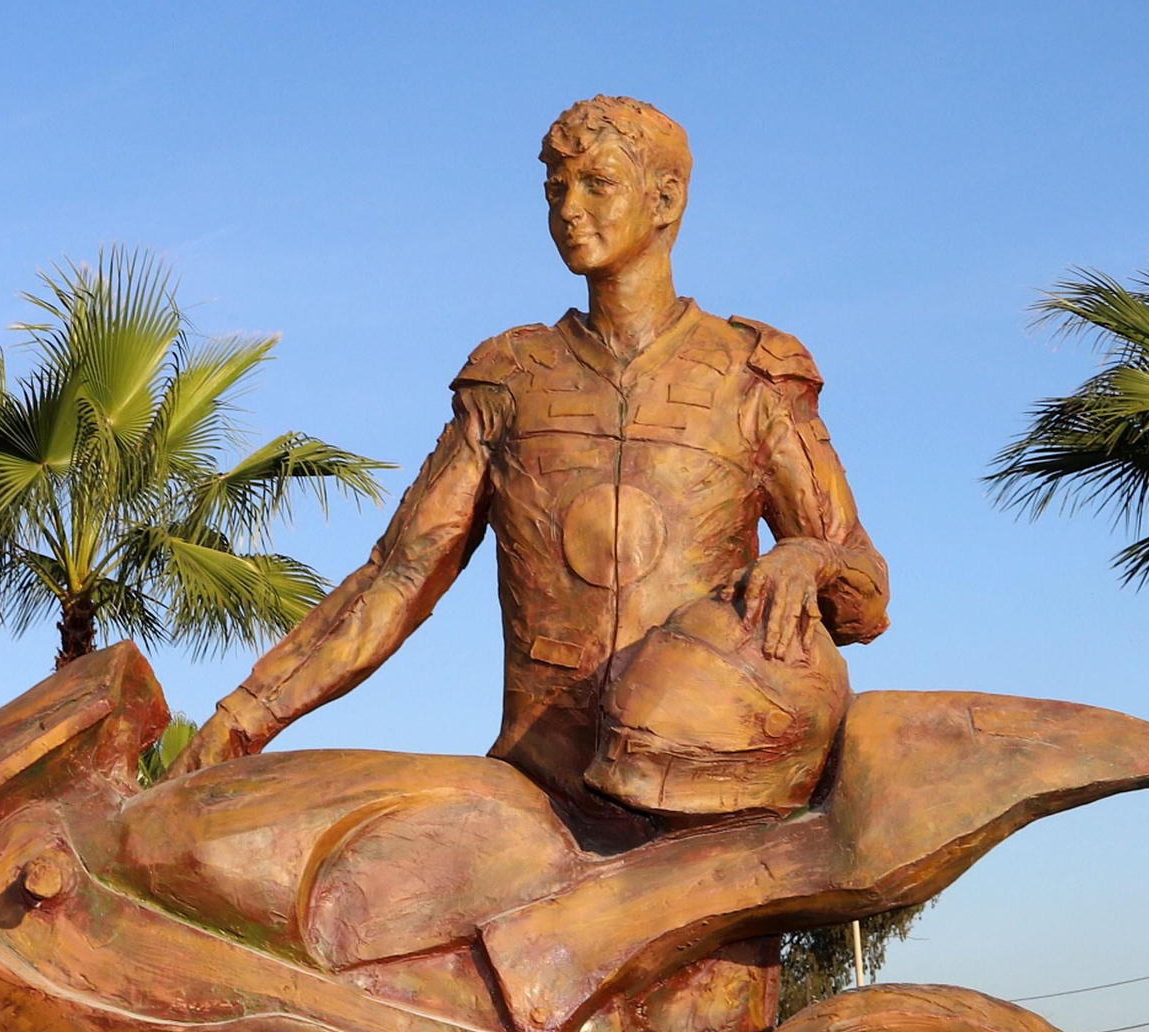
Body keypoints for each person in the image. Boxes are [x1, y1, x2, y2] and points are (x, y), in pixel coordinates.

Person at [174, 95, 889, 849]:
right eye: (555, 189)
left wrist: (809, 557)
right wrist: (242, 717)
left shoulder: (750, 377)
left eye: (596, 184)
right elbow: (397, 578)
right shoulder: (512, 379)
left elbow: (866, 597)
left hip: (704, 822)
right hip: (537, 811)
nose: (569, 210)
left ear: (667, 199)